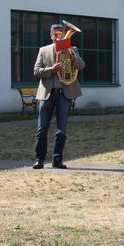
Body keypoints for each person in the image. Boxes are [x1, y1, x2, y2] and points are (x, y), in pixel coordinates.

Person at [32, 23, 85, 169]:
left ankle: (57, 160)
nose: (58, 36)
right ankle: (39, 160)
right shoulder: (43, 50)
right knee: (42, 129)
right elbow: (36, 71)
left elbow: (81, 66)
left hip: (64, 94)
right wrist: (52, 69)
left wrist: (73, 56)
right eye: (55, 34)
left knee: (61, 130)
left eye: (60, 34)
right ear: (51, 35)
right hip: (47, 95)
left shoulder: (72, 49)